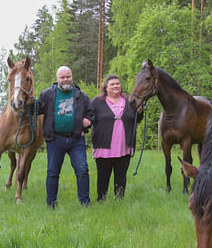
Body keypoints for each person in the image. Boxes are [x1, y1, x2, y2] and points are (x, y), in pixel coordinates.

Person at [37, 66, 94, 208]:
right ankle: (51, 204)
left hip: (76, 140)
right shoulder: (46, 95)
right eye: (62, 77)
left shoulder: (81, 95)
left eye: (68, 76)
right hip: (55, 139)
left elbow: (91, 113)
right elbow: (35, 110)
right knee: (52, 172)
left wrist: (88, 121)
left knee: (82, 170)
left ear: (72, 77)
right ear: (57, 79)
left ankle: (85, 203)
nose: (65, 79)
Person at [91, 74, 143, 201]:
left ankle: (119, 199)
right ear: (106, 87)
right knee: (103, 175)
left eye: (117, 84)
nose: (116, 86)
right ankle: (101, 199)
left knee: (121, 175)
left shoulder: (129, 101)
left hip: (123, 147)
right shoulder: (96, 102)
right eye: (112, 84)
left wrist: (140, 113)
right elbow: (89, 118)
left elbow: (136, 120)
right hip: (104, 147)